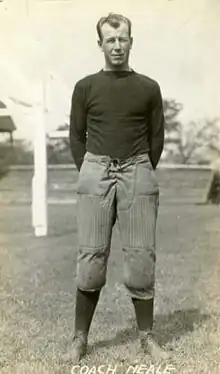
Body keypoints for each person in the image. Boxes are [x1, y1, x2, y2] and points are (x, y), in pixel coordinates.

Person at [67, 12, 170, 363]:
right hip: (96, 171)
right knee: (91, 258)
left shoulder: (148, 87)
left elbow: (157, 139)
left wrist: (139, 169)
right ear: (100, 44)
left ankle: (147, 338)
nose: (116, 45)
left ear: (131, 41)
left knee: (141, 257)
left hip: (138, 170)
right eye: (109, 40)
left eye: (122, 38)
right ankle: (80, 339)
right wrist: (92, 172)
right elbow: (75, 137)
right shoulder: (85, 87)